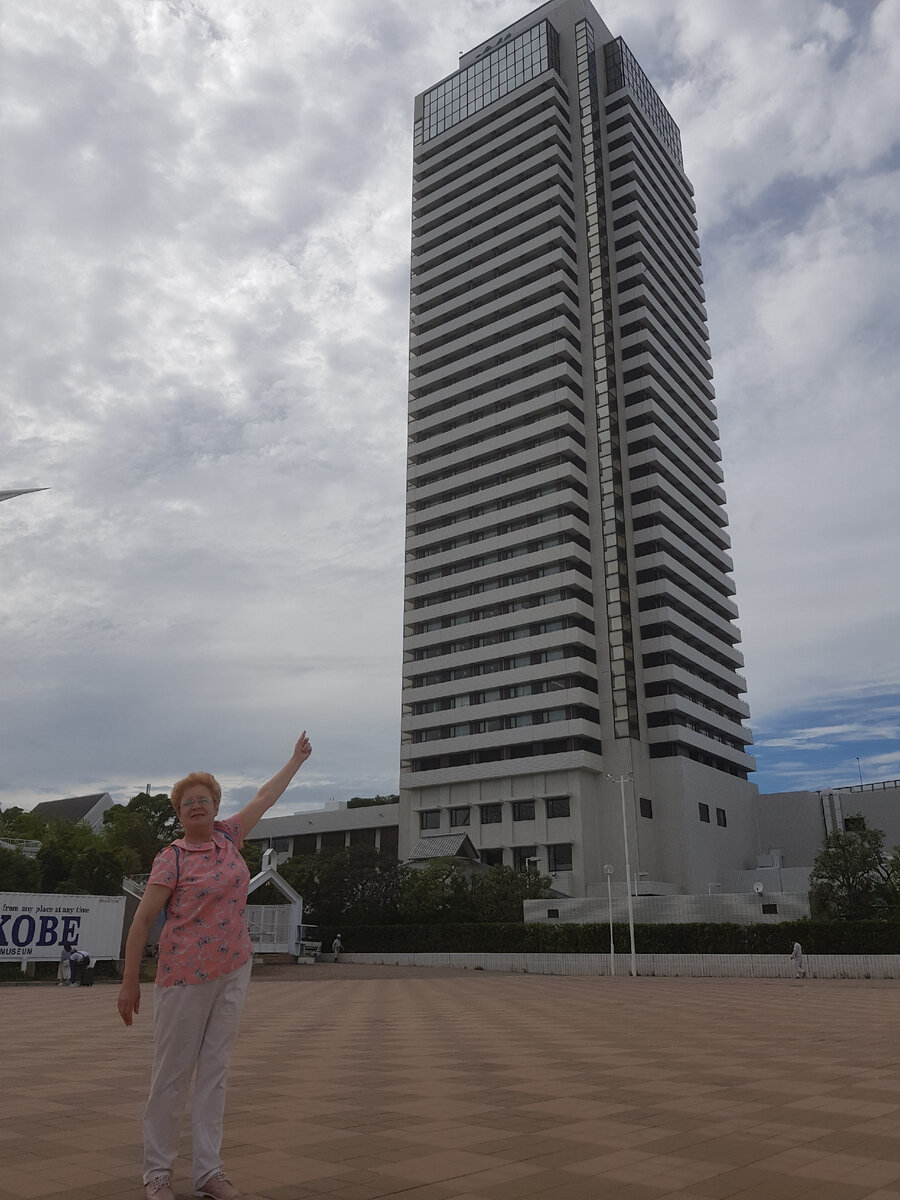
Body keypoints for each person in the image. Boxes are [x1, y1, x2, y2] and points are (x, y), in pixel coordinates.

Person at [118, 731, 312, 1200]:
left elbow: (265, 796)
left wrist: (295, 760)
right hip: (184, 977)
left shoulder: (230, 836)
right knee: (171, 1075)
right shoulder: (173, 858)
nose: (198, 807)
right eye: (188, 803)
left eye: (205, 800)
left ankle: (208, 1170)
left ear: (216, 805)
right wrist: (129, 984)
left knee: (214, 1071)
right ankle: (157, 1173)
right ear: (179, 813)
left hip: (233, 969)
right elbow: (144, 919)